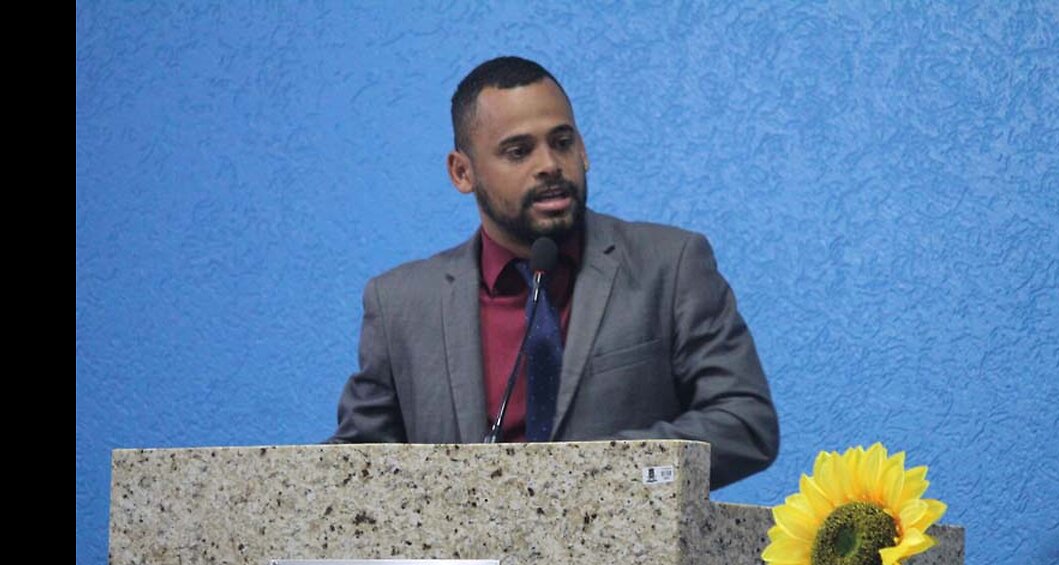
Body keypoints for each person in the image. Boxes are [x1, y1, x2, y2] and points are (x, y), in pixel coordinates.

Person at [330, 56, 778, 489]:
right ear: (462, 172)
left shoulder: (671, 264)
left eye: (562, 142)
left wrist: (592, 474)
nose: (549, 165)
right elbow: (353, 468)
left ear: (583, 149)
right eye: (518, 151)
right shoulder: (400, 304)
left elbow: (744, 422)